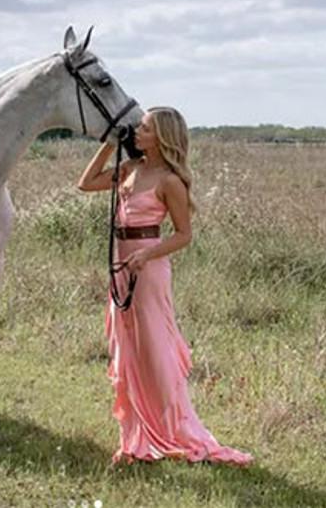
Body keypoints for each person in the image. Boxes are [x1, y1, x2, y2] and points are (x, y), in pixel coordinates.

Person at [77, 106, 254, 466]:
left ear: (161, 137)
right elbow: (86, 182)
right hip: (121, 265)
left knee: (154, 351)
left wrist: (148, 255)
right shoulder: (130, 169)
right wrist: (109, 145)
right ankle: (135, 435)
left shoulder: (170, 180)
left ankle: (173, 428)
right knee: (125, 348)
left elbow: (184, 235)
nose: (136, 132)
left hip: (148, 268)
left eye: (143, 129)